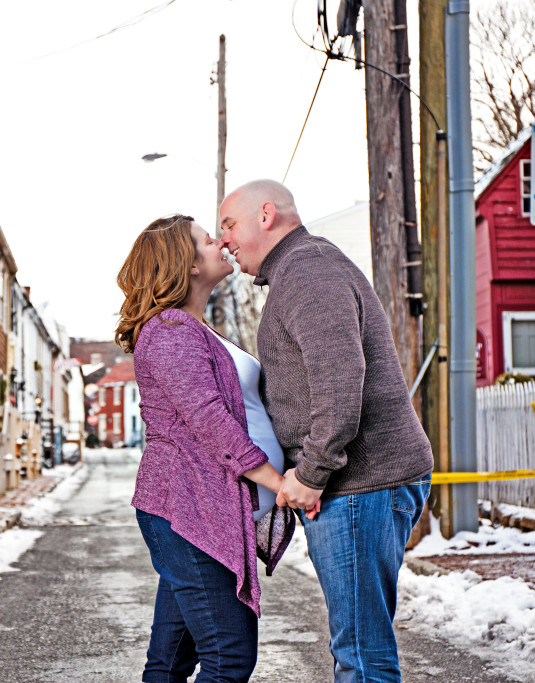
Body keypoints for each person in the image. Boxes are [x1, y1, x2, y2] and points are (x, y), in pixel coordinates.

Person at [218, 179, 434, 682]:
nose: (224, 239)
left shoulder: (308, 272)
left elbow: (340, 385)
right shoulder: (297, 272)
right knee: (356, 646)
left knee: (360, 653)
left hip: (360, 487)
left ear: (265, 215)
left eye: (229, 225)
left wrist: (311, 473)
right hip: (357, 488)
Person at [116, 214, 300, 683]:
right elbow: (207, 419)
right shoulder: (171, 329)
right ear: (187, 264)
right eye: (205, 239)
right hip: (188, 510)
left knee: (172, 659)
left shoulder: (195, 328)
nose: (219, 241)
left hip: (197, 512)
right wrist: (277, 482)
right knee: (229, 655)